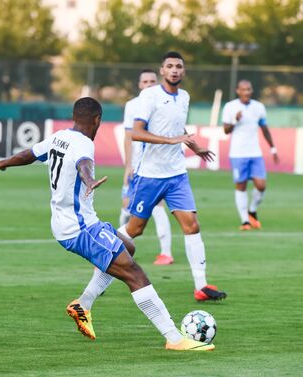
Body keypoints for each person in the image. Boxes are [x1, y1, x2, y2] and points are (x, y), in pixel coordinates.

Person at [0, 97, 214, 351]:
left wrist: (4, 162)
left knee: (128, 247)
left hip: (68, 223)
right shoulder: (83, 144)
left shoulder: (60, 136)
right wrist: (89, 179)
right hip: (80, 229)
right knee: (134, 274)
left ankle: (84, 303)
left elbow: (31, 154)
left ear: (73, 116)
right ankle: (174, 338)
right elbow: (83, 163)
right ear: (97, 120)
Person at [67, 52, 227, 339]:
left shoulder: (185, 97)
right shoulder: (149, 97)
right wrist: (172, 140)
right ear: (162, 70)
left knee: (192, 224)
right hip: (150, 175)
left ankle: (201, 286)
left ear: (184, 71)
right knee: (131, 234)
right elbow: (137, 133)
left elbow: (178, 129)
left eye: (179, 66)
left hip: (177, 175)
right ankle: (89, 293)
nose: (175, 70)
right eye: (170, 66)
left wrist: (192, 145)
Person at [121, 69, 173, 265]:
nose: (149, 84)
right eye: (145, 81)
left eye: (152, 81)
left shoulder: (164, 102)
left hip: (156, 167)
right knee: (126, 206)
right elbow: (128, 137)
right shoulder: (132, 105)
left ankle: (166, 253)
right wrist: (128, 165)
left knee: (158, 207)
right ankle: (121, 250)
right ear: (140, 84)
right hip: (136, 165)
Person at [222, 80, 279, 230]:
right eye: (243, 89)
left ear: (251, 90)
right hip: (238, 153)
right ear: (237, 91)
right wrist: (235, 119)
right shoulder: (230, 107)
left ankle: (252, 210)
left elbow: (264, 128)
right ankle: (245, 221)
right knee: (241, 186)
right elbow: (226, 130)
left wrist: (273, 149)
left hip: (255, 153)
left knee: (261, 185)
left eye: (248, 89)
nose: (246, 92)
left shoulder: (259, 107)